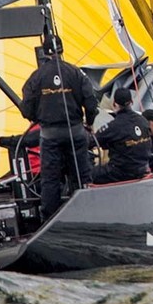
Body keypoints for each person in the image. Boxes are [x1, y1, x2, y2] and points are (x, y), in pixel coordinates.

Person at [20, 35, 97, 220]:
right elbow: (91, 103)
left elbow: (26, 107)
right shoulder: (76, 73)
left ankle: (51, 222)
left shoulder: (36, 77)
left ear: (44, 52)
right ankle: (90, 217)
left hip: (50, 136)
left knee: (50, 180)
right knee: (82, 177)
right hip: (76, 133)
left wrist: (36, 118)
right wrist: (89, 122)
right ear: (61, 50)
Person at [91, 87, 152, 184]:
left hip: (122, 173)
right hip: (142, 169)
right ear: (131, 101)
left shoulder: (113, 126)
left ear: (114, 103)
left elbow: (92, 141)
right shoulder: (143, 120)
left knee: (87, 174)